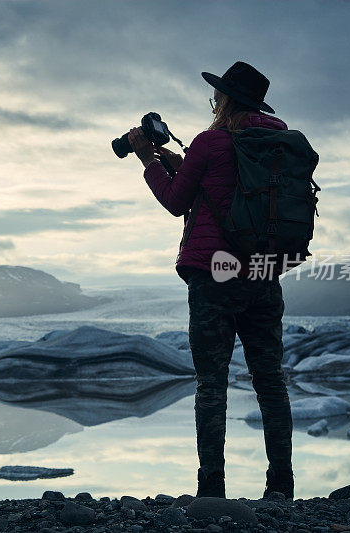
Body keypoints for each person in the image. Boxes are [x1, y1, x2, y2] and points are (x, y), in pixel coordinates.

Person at [127, 61, 294, 500]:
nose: (214, 102)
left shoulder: (211, 141)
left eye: (217, 96)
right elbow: (229, 186)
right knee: (270, 380)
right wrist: (178, 162)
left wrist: (148, 159)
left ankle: (212, 489)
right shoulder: (278, 143)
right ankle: (281, 485)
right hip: (263, 273)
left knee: (212, 385)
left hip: (213, 275)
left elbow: (175, 200)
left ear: (226, 99)